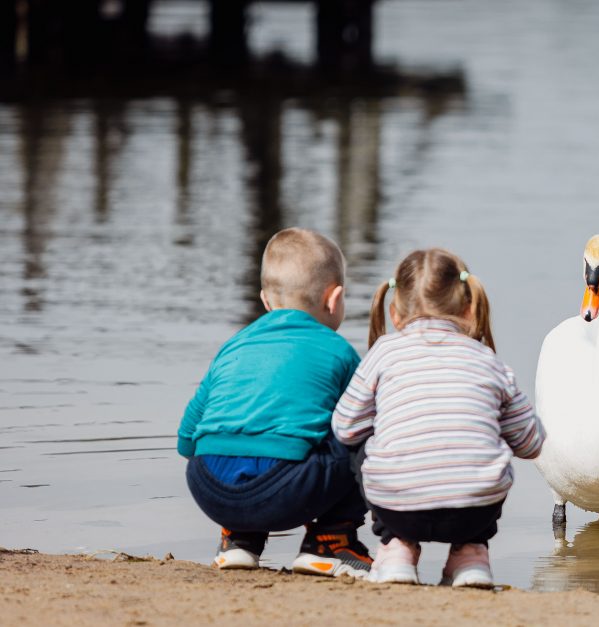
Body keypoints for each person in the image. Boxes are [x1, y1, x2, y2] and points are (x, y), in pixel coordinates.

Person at [332, 248, 544, 588]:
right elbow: (532, 444)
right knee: (492, 444)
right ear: (470, 307)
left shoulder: (383, 352)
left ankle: (396, 549)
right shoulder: (488, 360)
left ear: (395, 312)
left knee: (363, 443)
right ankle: (470, 556)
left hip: (397, 509)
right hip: (474, 512)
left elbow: (344, 429)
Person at [177, 227, 372, 578]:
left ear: (266, 302)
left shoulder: (233, 346)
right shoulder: (338, 350)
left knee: (248, 439)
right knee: (367, 434)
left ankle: (239, 541)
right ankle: (331, 542)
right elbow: (359, 423)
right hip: (287, 490)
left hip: (208, 487)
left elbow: (187, 438)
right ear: (334, 299)